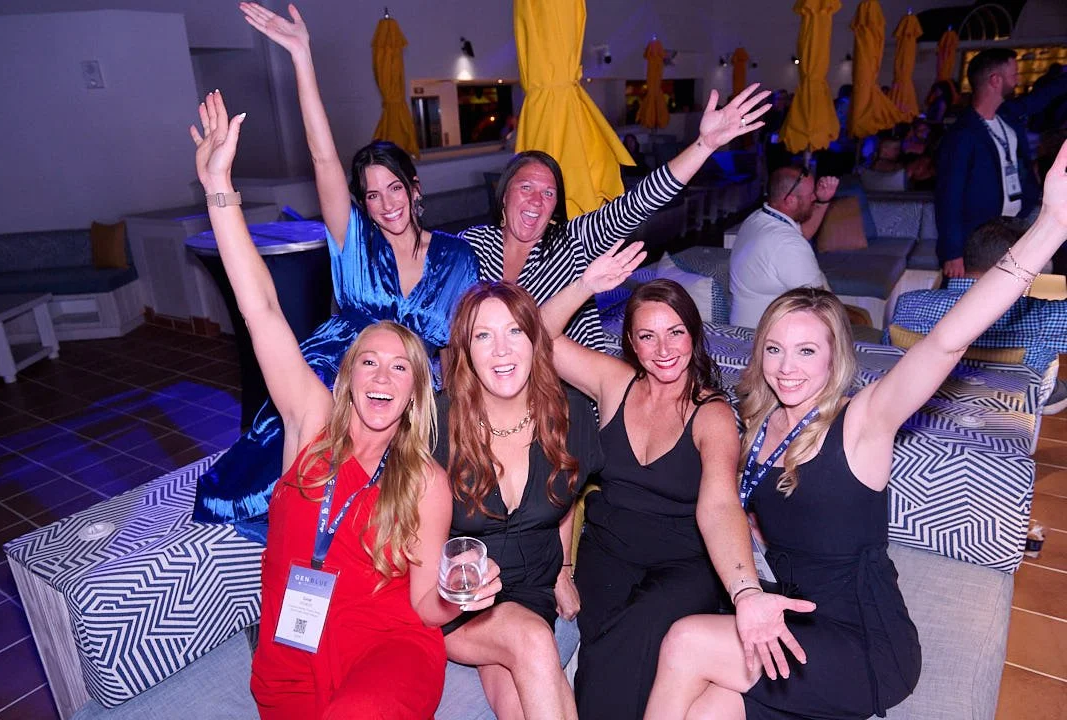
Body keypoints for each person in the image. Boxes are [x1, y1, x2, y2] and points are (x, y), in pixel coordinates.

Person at [643, 139, 1067, 720]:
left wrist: (1049, 227)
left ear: (833, 357)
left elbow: (947, 340)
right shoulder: (758, 423)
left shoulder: (862, 420)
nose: (787, 366)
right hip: (795, 616)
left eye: (806, 350)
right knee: (706, 708)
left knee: (685, 641)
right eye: (774, 349)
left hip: (864, 643)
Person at [188, 90, 501, 720]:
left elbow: (423, 609)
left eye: (400, 368)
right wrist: (220, 186)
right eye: (369, 361)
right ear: (347, 375)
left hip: (390, 651)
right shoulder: (308, 424)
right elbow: (261, 309)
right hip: (285, 664)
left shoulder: (426, 482)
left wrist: (456, 600)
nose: (383, 376)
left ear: (416, 392)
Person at [194, 3, 479, 542]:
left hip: (415, 381)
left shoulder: (457, 256)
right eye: (372, 194)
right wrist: (303, 57)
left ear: (415, 189)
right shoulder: (353, 238)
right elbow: (323, 158)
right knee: (304, 477)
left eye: (395, 187)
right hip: (341, 365)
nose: (386, 203)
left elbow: (457, 346)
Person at [537, 254, 808, 720]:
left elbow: (721, 504)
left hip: (685, 563)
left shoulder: (713, 414)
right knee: (605, 646)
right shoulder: (613, 382)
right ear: (632, 344)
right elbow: (536, 339)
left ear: (693, 336)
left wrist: (744, 590)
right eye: (647, 336)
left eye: (675, 332)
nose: (663, 349)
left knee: (638, 631)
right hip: (608, 552)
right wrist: (585, 285)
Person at [460, 83, 772, 352]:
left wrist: (705, 145)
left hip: (569, 389)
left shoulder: (572, 242)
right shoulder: (473, 245)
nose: (536, 200)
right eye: (526, 187)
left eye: (549, 193)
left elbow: (637, 203)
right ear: (503, 194)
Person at [434, 282, 603, 719]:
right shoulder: (437, 424)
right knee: (532, 640)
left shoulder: (571, 414)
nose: (501, 351)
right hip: (458, 600)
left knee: (517, 699)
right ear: (466, 351)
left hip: (532, 588)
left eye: (514, 332)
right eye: (483, 336)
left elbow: (566, 494)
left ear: (535, 340)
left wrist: (564, 566)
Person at [890, 217, 1067, 415]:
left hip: (921, 415)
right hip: (1002, 424)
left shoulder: (907, 304)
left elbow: (887, 358)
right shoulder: (1042, 317)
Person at [935, 48, 1067, 278]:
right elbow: (948, 197)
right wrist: (952, 252)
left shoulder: (1006, 115)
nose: (1017, 80)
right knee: (977, 295)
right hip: (980, 233)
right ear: (995, 80)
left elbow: (1042, 97)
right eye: (1013, 74)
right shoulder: (962, 134)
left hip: (1015, 222)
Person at [729, 166, 838, 328]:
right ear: (790, 200)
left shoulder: (759, 218)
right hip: (766, 335)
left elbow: (803, 234)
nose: (814, 198)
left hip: (752, 325)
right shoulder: (786, 244)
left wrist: (823, 201)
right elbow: (821, 306)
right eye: (811, 195)